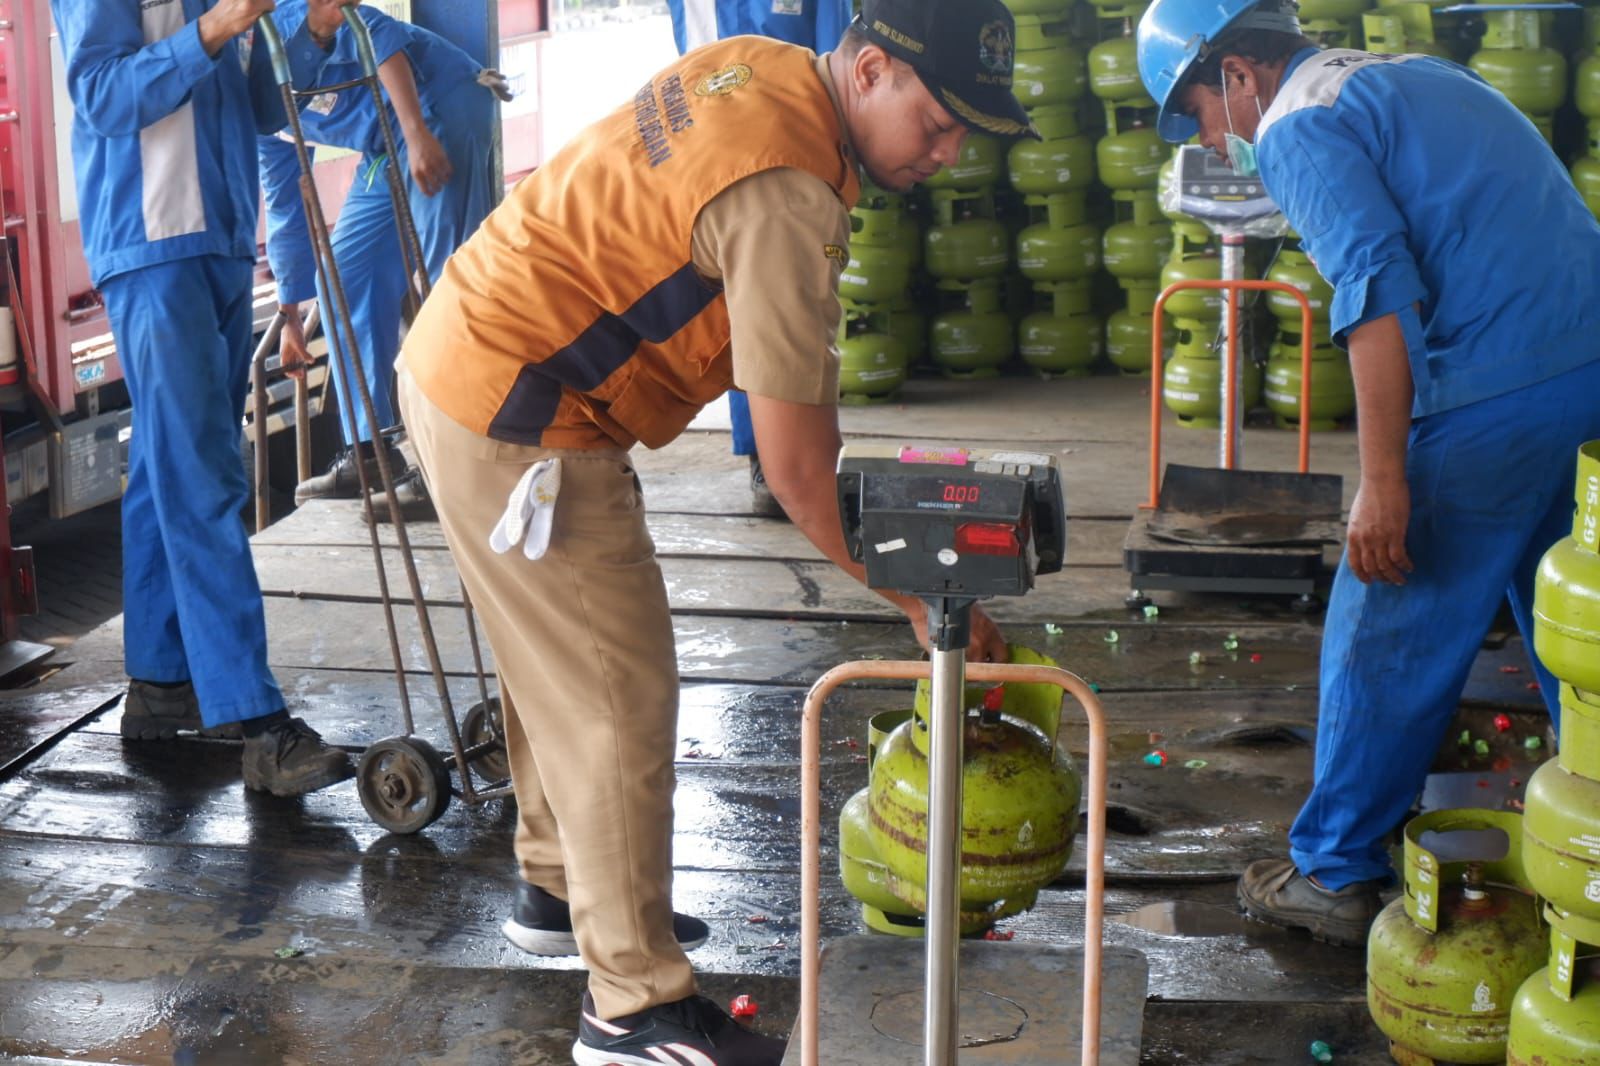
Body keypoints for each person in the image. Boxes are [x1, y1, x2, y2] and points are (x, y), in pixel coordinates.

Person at [395, 0, 1030, 1059]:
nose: (951, 151)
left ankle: (561, 892)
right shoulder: (783, 189)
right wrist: (921, 600)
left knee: (552, 659)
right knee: (613, 693)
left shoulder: (766, 67)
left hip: (465, 354)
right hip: (523, 411)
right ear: (870, 69)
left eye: (971, 132)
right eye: (939, 121)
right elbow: (793, 467)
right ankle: (631, 1004)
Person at [1137, 0, 1600, 945]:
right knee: (1572, 626)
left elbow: (1381, 302)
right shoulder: (1409, 77)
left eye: (1201, 115)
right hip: (1584, 368)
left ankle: (1337, 869)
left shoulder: (1301, 128)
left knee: (1386, 613)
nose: (1216, 144)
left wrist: (1384, 484)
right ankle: (1588, 841)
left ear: (1238, 75)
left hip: (1494, 392)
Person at [53, 0, 357, 794]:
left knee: (168, 469)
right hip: (151, 247)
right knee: (203, 478)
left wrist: (315, 29)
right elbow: (101, 95)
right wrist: (217, 28)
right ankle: (256, 721)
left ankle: (159, 684)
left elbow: (259, 108)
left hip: (220, 240)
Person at [261, 0, 505, 517]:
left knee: (448, 289)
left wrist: (417, 136)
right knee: (344, 277)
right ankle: (371, 452)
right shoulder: (258, 116)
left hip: (440, 107)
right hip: (385, 144)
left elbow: (379, 39)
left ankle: (463, 471)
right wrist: (289, 316)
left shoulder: (281, 25)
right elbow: (285, 205)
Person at [666, 0, 853, 519]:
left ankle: (806, 457)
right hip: (726, 162)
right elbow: (692, 68)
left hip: (802, 158)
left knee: (802, 311)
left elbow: (837, 54)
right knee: (741, 314)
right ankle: (765, 460)